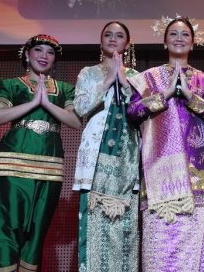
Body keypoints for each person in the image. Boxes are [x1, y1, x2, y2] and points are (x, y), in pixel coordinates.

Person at [127, 15, 204, 271]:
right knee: (159, 248)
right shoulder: (148, 78)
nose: (179, 38)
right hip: (159, 172)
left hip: (196, 172)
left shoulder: (202, 79)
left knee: (194, 247)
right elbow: (133, 113)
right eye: (174, 34)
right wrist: (165, 94)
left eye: (185, 34)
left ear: (193, 42)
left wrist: (189, 95)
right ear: (165, 42)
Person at [0, 34, 80, 271]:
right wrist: (32, 103)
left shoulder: (65, 89)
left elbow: (75, 122)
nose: (44, 56)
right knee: (9, 224)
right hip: (14, 161)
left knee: (38, 228)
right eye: (38, 50)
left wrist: (47, 103)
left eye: (50, 52)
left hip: (49, 164)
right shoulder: (11, 85)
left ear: (55, 60)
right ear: (27, 55)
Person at [73, 21, 140, 272]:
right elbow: (80, 108)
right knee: (94, 218)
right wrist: (107, 81)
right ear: (100, 41)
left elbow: (141, 111)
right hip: (95, 151)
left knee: (125, 227)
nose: (113, 39)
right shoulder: (88, 73)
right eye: (108, 35)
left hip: (126, 154)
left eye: (119, 35)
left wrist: (123, 81)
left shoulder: (136, 76)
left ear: (127, 43)